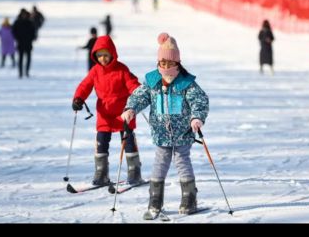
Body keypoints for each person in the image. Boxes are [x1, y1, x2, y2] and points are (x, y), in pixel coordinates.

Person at [122, 32, 209, 217]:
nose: (166, 67)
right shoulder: (152, 81)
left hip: (182, 133)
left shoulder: (186, 83)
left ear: (177, 63)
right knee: (160, 164)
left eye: (170, 63)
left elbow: (199, 101)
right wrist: (131, 109)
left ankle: (189, 199)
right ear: (158, 62)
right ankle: (155, 201)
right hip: (161, 133)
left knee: (182, 162)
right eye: (163, 63)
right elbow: (140, 96)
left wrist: (196, 117)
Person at [72, 35, 143, 186]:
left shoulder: (122, 69)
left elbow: (132, 83)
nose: (102, 59)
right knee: (101, 142)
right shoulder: (95, 71)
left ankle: (134, 171)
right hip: (104, 113)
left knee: (128, 141)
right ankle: (101, 173)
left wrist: (138, 93)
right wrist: (78, 98)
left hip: (124, 112)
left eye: (105, 55)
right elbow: (85, 85)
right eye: (99, 55)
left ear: (112, 53)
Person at [11, 8, 36, 78]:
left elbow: (34, 32)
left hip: (28, 43)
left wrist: (32, 38)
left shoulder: (30, 22)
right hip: (20, 43)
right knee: (20, 59)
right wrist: (17, 38)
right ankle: (20, 73)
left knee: (28, 59)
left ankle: (27, 72)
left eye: (25, 14)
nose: (24, 15)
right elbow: (13, 31)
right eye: (23, 14)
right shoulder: (17, 22)